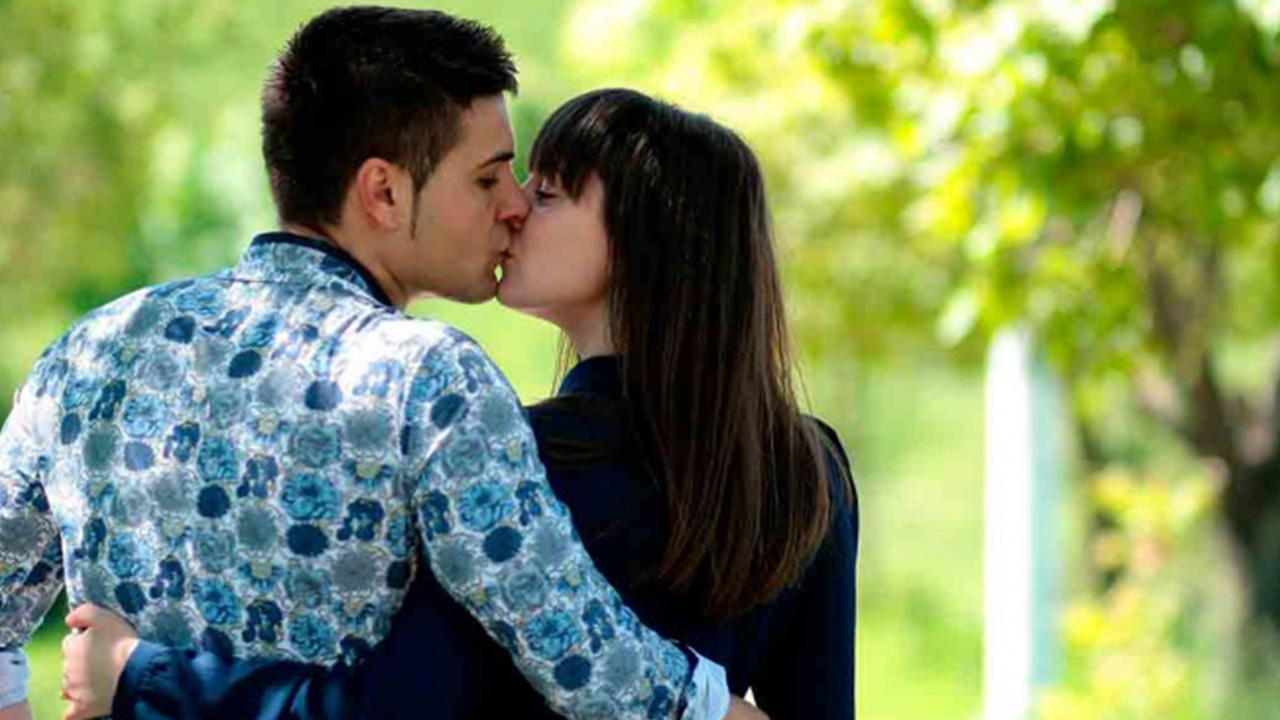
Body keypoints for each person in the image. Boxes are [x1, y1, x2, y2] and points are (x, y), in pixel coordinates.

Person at [0, 9, 749, 720]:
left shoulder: (90, 350)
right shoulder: (429, 381)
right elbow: (587, 664)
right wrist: (719, 708)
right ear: (383, 192)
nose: (515, 205)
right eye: (487, 178)